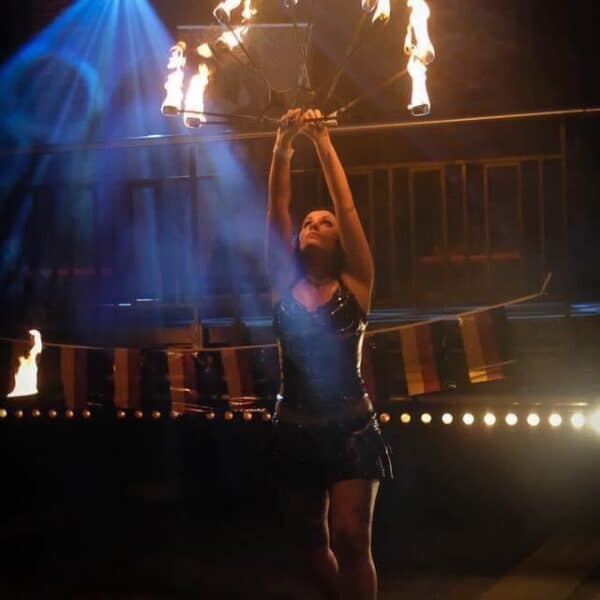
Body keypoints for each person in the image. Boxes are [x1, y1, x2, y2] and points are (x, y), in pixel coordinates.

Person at [265, 108, 392, 600]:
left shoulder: (356, 283)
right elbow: (276, 210)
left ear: (340, 238)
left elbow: (348, 206)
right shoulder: (281, 284)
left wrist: (322, 142)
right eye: (308, 223)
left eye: (325, 222)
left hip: (351, 430)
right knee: (309, 543)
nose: (314, 224)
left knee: (351, 537)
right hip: (293, 431)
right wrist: (282, 145)